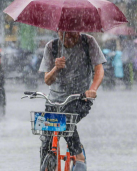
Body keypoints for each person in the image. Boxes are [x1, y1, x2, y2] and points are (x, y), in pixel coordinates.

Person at [38, 31, 106, 171]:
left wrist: (92, 90)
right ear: (58, 30)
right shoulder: (52, 47)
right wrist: (56, 68)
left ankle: (79, 156)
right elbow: (47, 80)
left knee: (66, 119)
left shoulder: (88, 42)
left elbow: (99, 69)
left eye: (73, 32)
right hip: (54, 101)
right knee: (46, 141)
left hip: (80, 98)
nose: (69, 36)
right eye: (64, 32)